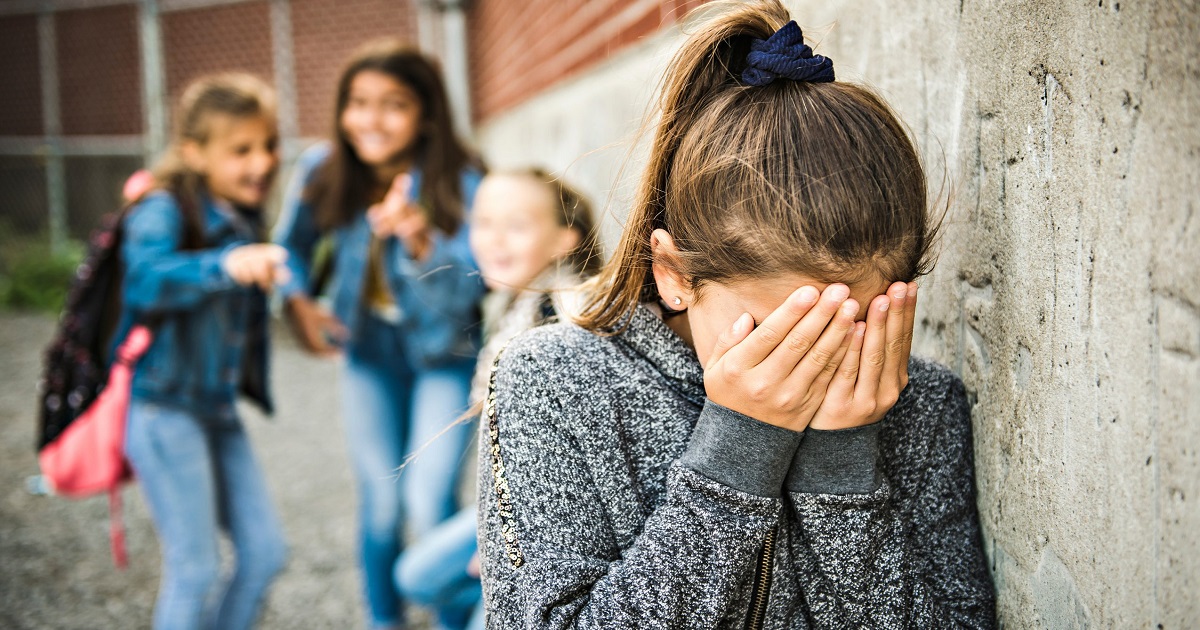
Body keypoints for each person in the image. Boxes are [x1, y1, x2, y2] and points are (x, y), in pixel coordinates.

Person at [476, 2, 998, 628]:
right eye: (779, 334)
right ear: (673, 276)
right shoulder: (554, 382)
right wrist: (737, 452)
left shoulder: (923, 404)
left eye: (849, 326)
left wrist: (842, 468)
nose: (811, 364)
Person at [272, 38, 484, 629]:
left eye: (393, 104)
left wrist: (419, 240)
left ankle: (451, 617)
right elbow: (287, 248)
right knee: (382, 503)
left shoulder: (461, 179)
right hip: (369, 354)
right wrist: (297, 303)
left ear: (426, 115)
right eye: (358, 102)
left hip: (445, 353)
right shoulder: (322, 170)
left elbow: (472, 288)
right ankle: (383, 618)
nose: (371, 119)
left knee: (427, 497)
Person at [394, 169, 602, 630]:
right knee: (415, 577)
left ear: (564, 240)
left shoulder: (567, 316)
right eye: (483, 222)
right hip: (509, 506)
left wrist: (501, 549)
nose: (494, 240)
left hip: (549, 525)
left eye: (517, 225)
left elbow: (563, 463)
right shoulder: (514, 304)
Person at [120, 73, 289, 630]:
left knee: (265, 554)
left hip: (215, 410)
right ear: (194, 152)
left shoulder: (242, 214)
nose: (261, 162)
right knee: (194, 569)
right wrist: (224, 265)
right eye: (240, 150)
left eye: (268, 146)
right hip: (163, 409)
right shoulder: (163, 208)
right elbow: (143, 280)